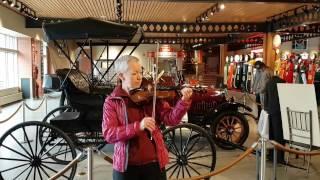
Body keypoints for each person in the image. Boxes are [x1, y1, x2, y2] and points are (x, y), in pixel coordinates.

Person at [102, 55, 193, 180]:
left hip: (154, 163)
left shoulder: (150, 96)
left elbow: (171, 119)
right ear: (121, 76)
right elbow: (109, 134)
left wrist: (183, 101)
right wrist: (138, 126)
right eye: (134, 73)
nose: (140, 77)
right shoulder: (112, 101)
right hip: (126, 166)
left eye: (140, 72)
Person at [264, 75, 286, 163]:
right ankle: (279, 158)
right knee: (279, 134)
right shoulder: (283, 82)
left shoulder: (268, 83)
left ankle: (270, 155)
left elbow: (266, 98)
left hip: (270, 111)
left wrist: (266, 109)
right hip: (280, 111)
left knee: (271, 134)